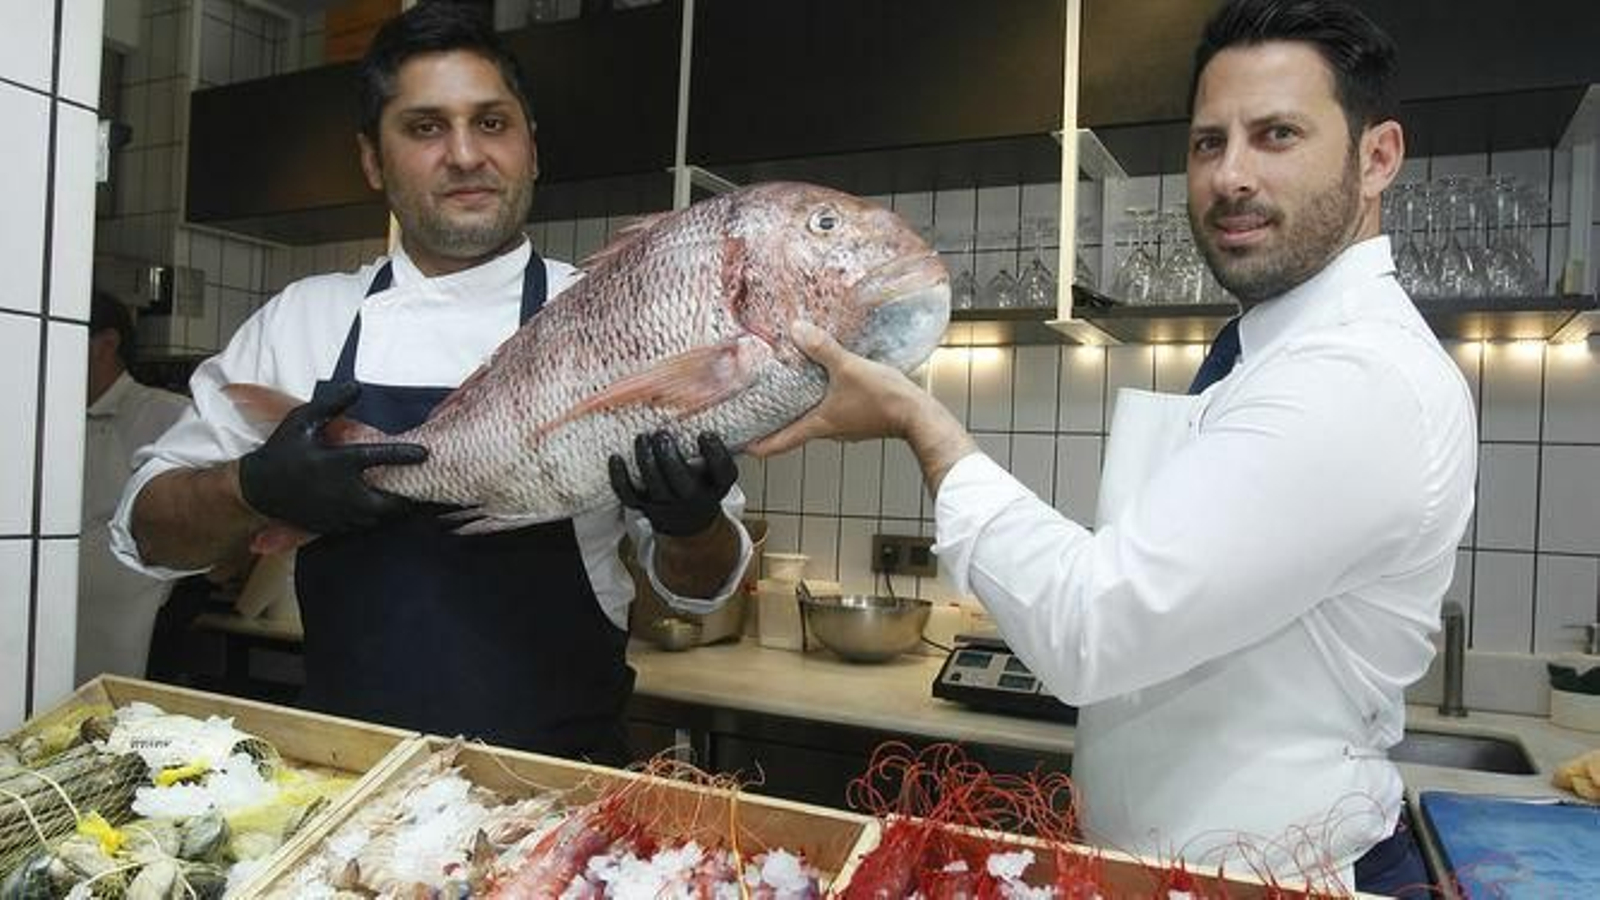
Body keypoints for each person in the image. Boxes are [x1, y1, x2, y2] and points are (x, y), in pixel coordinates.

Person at [752, 0, 1473, 893]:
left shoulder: (1355, 375)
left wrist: (920, 423)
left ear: (1377, 157)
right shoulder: (1273, 350)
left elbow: (1093, 627)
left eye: (1277, 134)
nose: (1230, 175)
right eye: (1208, 142)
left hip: (1291, 878)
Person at [110, 1, 749, 764]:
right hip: (351, 782)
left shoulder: (624, 317)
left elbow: (700, 587)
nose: (466, 154)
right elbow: (145, 532)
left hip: (558, 786)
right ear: (372, 161)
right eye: (425, 128)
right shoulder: (304, 320)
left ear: (531, 149)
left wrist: (690, 523)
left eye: (491, 123)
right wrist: (253, 489)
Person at [78, 291, 193, 684]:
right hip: (52, 617)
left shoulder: (169, 414)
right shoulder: (43, 416)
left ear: (106, 344)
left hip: (137, 623)